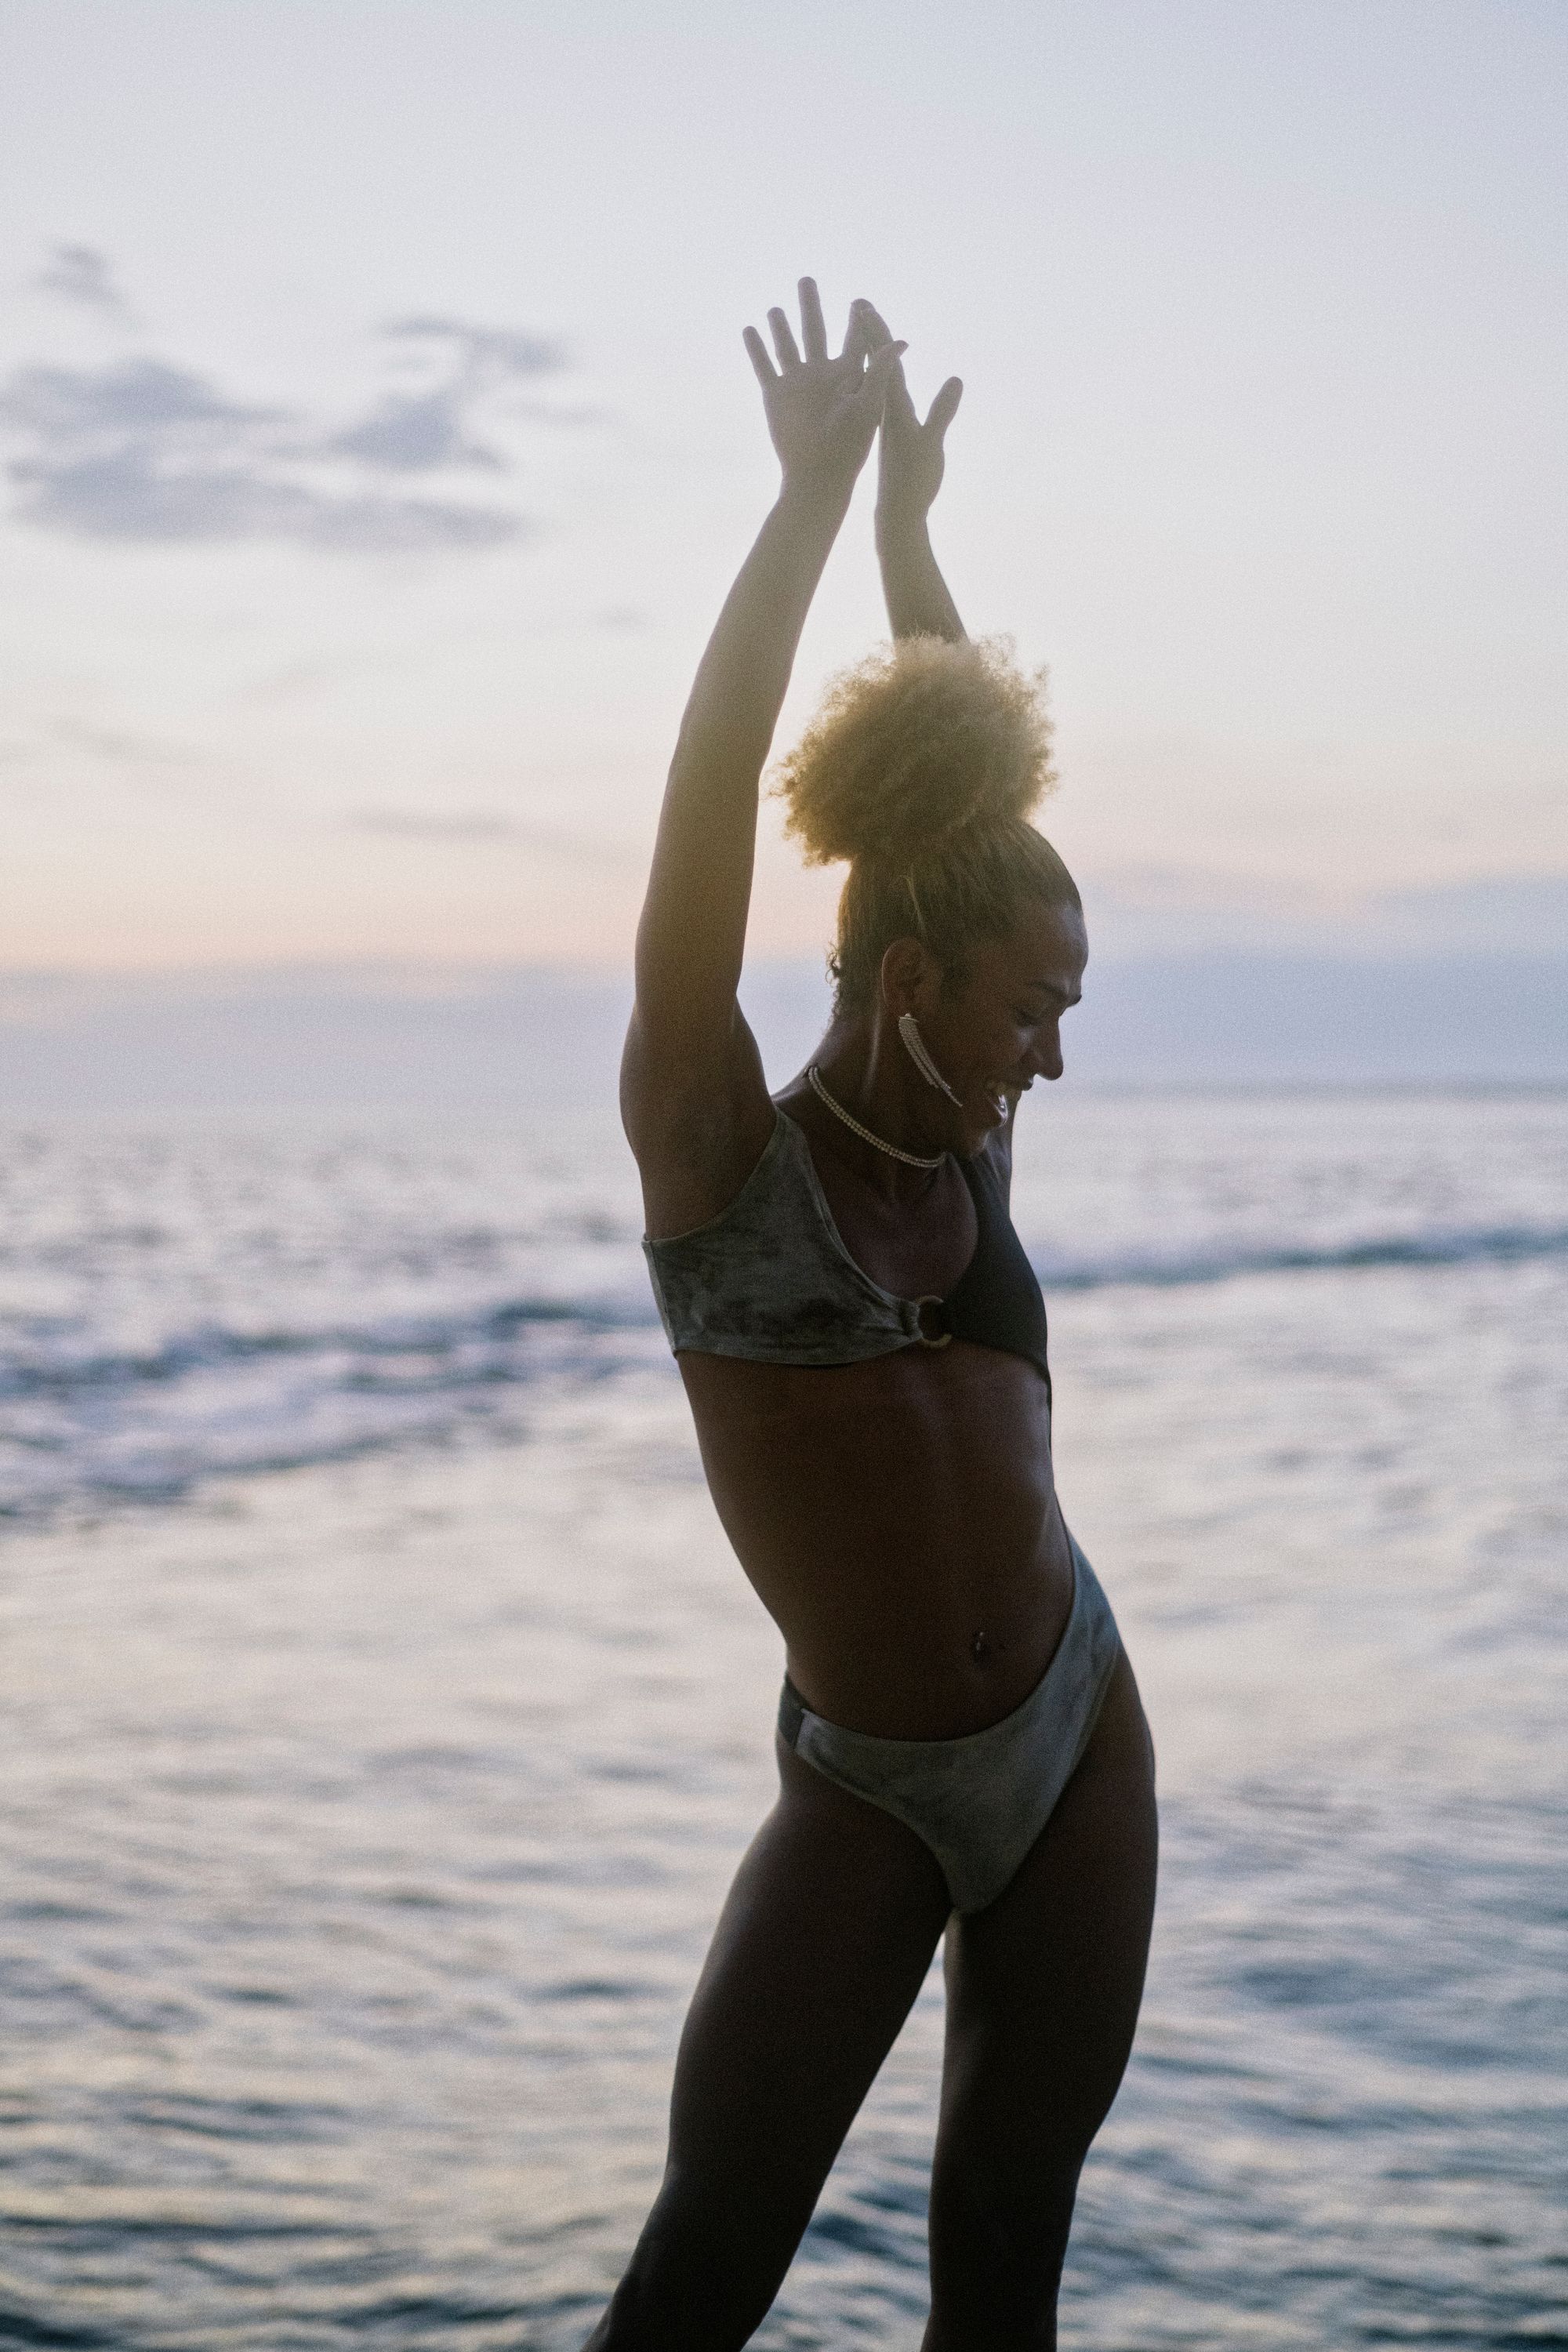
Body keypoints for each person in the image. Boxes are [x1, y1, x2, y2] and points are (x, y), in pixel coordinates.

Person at [589, 280, 1157, 2352]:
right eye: (1034, 1008)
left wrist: (921, 525)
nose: (1052, 1061)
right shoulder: (715, 1154)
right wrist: (809, 505)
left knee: (1007, 2251)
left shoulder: (974, 1151)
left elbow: (950, 753)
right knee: (704, 2273)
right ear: (910, 982)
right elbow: (715, 780)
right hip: (873, 1787)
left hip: (1082, 1728)